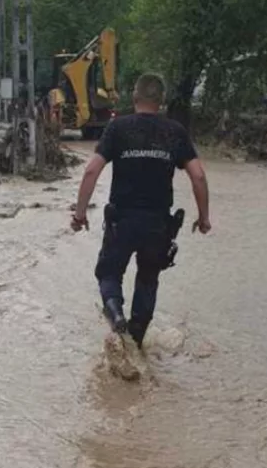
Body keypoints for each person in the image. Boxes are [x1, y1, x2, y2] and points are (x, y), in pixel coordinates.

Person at [70, 73, 211, 348]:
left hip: (121, 221)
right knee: (148, 278)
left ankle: (116, 314)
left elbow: (91, 171)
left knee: (109, 274)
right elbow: (199, 177)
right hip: (157, 224)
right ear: (162, 101)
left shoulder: (117, 128)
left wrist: (80, 214)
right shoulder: (175, 132)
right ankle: (135, 340)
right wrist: (203, 217)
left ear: (134, 98)